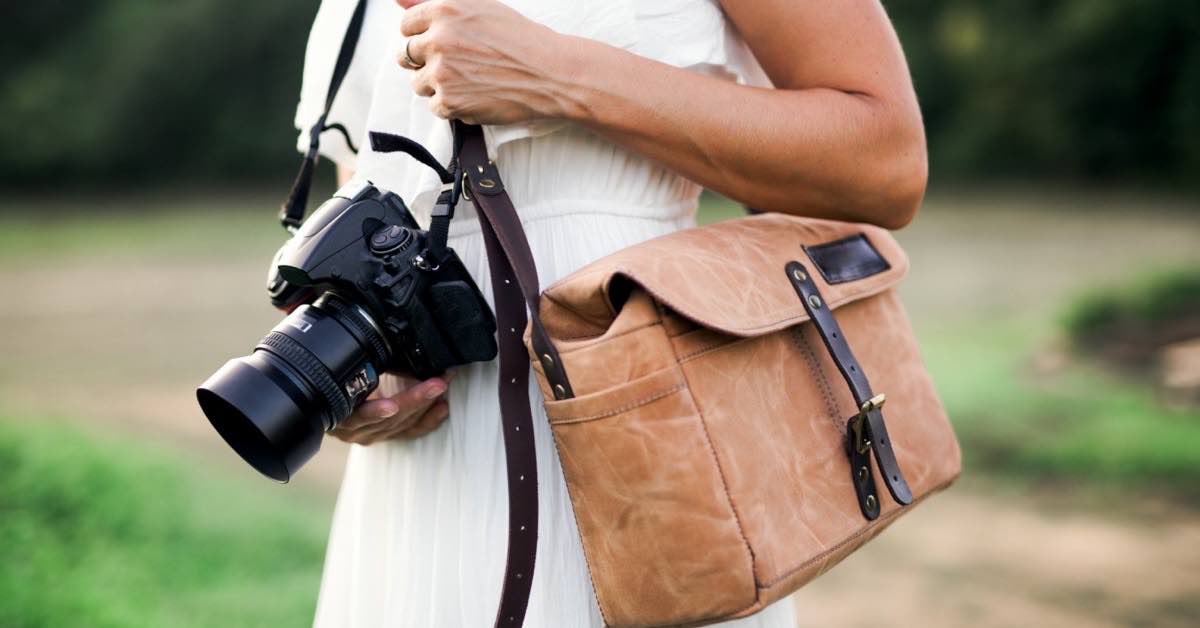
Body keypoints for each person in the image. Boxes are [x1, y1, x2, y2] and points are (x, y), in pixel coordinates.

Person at [294, 0, 926, 625]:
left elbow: (886, 160)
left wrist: (555, 72)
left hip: (643, 434)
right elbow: (375, 189)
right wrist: (364, 373)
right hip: (419, 485)